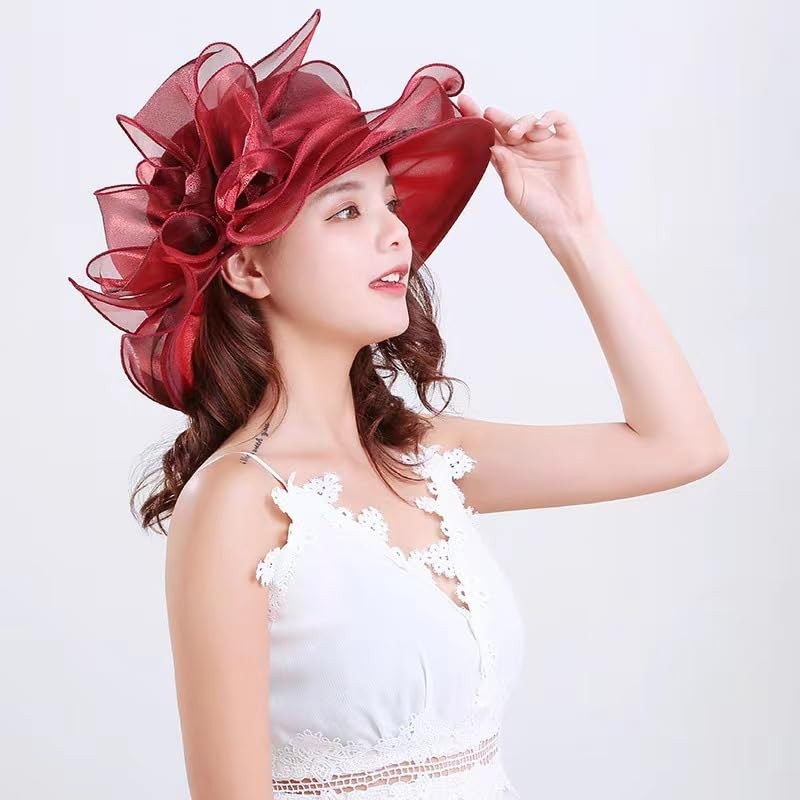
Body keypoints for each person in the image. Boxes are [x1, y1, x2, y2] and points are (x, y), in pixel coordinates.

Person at [67, 8, 728, 800]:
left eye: (391, 204)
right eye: (347, 210)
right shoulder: (235, 502)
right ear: (249, 270)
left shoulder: (424, 455)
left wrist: (574, 227)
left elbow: (683, 445)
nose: (396, 236)